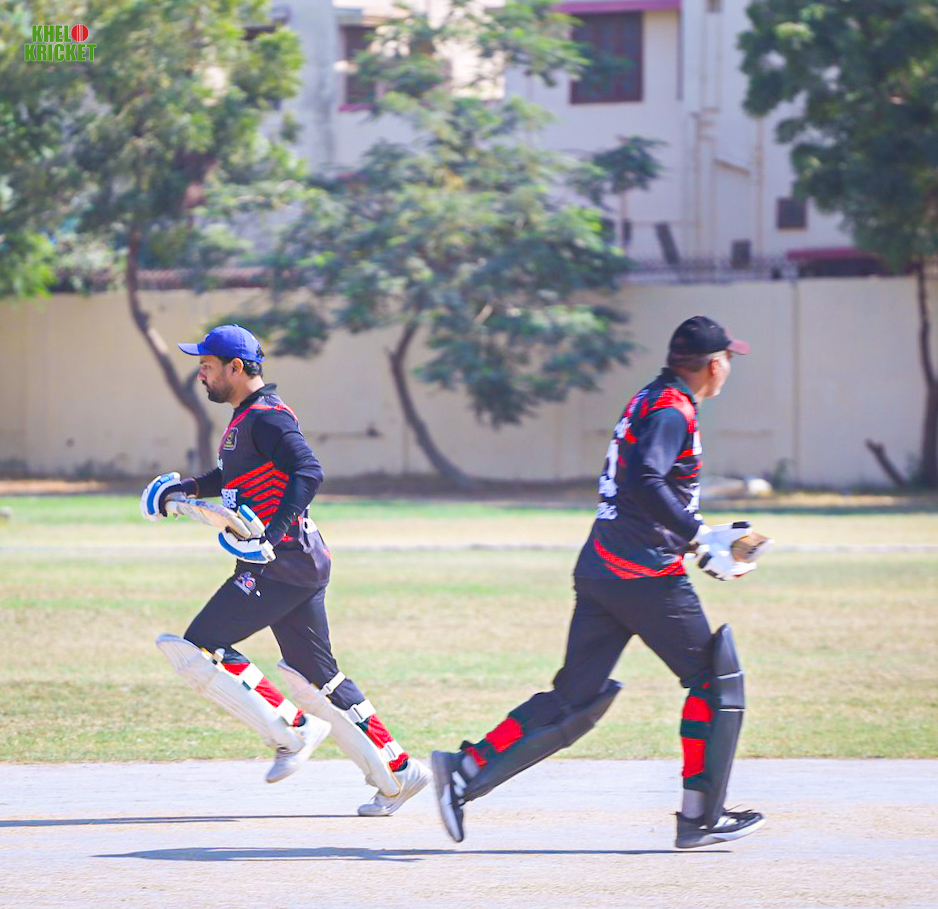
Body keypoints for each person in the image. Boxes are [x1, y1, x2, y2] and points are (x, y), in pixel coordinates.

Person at [431, 315, 766, 849]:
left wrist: (698, 540)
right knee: (714, 679)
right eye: (727, 358)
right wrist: (697, 536)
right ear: (711, 364)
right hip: (643, 574)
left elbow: (639, 489)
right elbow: (645, 478)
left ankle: (465, 770)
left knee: (574, 698)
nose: (729, 367)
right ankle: (701, 817)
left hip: (603, 567)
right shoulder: (673, 409)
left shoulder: (652, 398)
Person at [142, 323, 429, 816]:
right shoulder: (247, 418)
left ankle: (292, 731)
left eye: (207, 365)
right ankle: (399, 771)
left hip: (282, 564)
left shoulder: (267, 418)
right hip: (298, 563)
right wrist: (184, 489)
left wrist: (270, 538)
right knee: (316, 677)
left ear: (236, 368)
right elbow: (232, 476)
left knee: (198, 646)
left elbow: (308, 471)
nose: (201, 374)